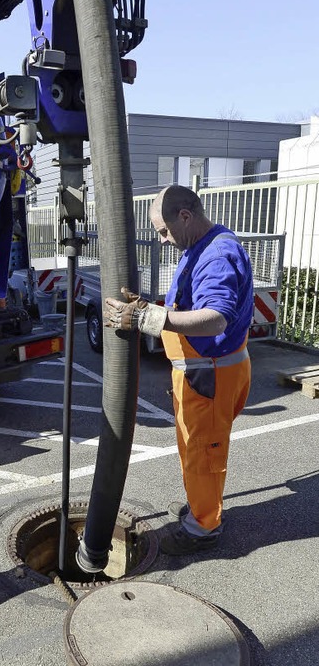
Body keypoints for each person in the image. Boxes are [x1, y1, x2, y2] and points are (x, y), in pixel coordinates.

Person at [104, 185, 253, 556]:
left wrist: (145, 317)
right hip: (203, 371)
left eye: (163, 230)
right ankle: (201, 507)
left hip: (211, 374)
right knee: (196, 449)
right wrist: (150, 309)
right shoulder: (199, 245)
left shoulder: (217, 254)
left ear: (185, 216)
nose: (163, 239)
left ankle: (203, 527)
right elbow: (191, 304)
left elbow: (216, 318)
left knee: (204, 453)